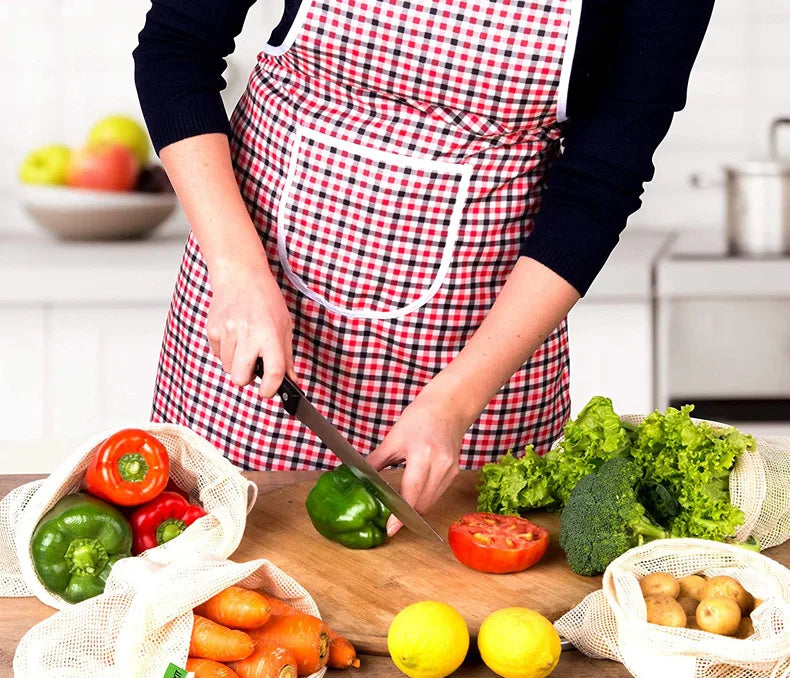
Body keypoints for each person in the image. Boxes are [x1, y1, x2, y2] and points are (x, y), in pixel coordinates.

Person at [134, 0, 714, 534]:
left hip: (481, 340)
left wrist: (456, 401)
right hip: (258, 289)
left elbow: (601, 180)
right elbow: (176, 47)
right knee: (220, 570)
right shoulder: (244, 277)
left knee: (462, 608)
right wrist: (237, 273)